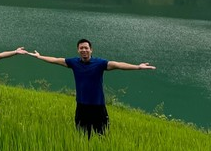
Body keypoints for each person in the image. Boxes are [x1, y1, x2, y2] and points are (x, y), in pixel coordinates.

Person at [26, 38, 155, 136]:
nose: (84, 50)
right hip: (82, 105)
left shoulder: (99, 63)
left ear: (91, 50)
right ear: (78, 50)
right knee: (82, 134)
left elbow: (117, 64)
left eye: (86, 48)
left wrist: (138, 67)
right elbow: (55, 60)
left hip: (98, 106)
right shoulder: (74, 62)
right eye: (81, 48)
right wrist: (39, 56)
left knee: (102, 135)